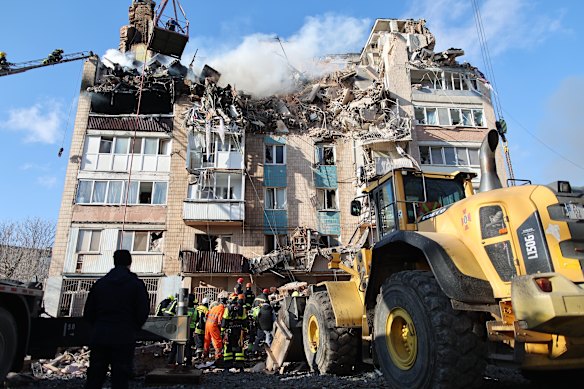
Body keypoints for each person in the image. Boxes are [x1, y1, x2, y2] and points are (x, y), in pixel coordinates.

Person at [83, 249, 150, 389]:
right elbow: (143, 311)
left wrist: (97, 327)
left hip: (100, 335)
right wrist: (133, 328)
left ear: (114, 261)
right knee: (120, 378)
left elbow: (88, 312)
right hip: (123, 336)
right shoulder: (136, 284)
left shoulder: (100, 283)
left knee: (95, 377)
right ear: (130, 262)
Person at [222, 294, 248, 372]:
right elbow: (244, 320)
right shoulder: (242, 309)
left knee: (228, 346)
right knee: (239, 346)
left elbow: (224, 320)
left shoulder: (228, 309)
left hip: (229, 331)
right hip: (239, 331)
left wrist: (222, 330)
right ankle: (239, 365)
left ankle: (228, 364)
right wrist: (245, 329)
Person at [204, 296, 226, 363]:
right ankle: (218, 357)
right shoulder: (222, 309)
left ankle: (205, 355)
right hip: (213, 325)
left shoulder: (214, 307)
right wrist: (222, 330)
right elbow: (220, 321)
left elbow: (207, 314)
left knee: (207, 340)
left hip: (207, 324)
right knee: (218, 341)